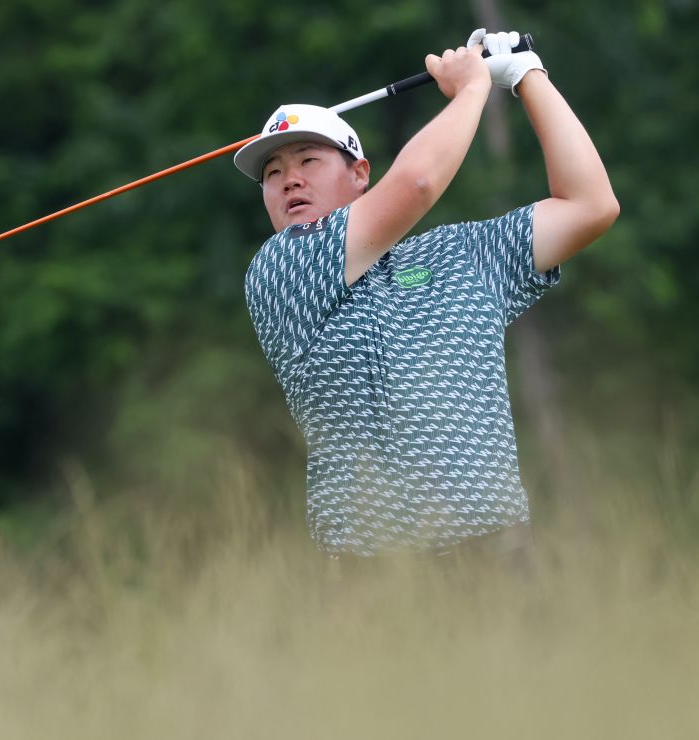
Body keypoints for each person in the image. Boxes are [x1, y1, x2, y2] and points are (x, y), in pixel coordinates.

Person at [234, 30, 618, 560]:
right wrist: (471, 90)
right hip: (369, 572)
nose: (288, 181)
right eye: (272, 174)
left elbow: (590, 205)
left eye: (308, 161)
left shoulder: (455, 255)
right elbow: (415, 184)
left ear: (360, 173)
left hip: (498, 554)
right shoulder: (280, 269)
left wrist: (529, 76)